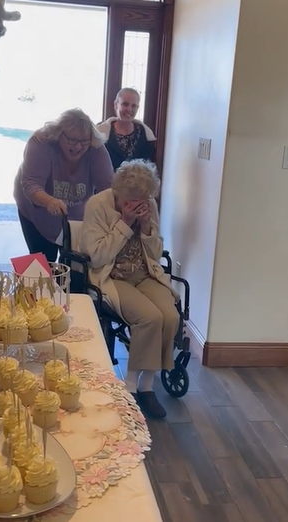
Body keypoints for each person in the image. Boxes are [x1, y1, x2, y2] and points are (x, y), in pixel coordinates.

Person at [80, 159, 179, 419]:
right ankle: (132, 388)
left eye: (144, 200)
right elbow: (97, 256)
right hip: (111, 276)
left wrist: (146, 226)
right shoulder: (98, 205)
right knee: (149, 317)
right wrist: (124, 223)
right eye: (130, 200)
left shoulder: (150, 205)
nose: (138, 205)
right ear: (118, 192)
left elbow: (156, 254)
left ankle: (147, 385)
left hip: (144, 273)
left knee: (170, 316)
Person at [14, 108, 114, 262]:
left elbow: (108, 188)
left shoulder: (95, 147)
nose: (78, 147)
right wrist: (49, 201)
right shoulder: (41, 142)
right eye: (73, 140)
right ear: (59, 135)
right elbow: (31, 184)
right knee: (44, 261)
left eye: (84, 142)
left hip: (76, 215)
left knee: (74, 263)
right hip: (37, 210)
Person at [97, 88, 156, 171]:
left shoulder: (145, 135)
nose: (129, 109)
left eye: (133, 106)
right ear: (115, 105)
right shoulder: (99, 134)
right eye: (125, 104)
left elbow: (148, 169)